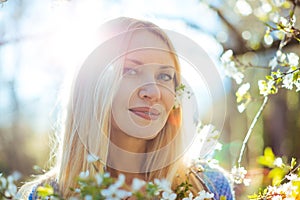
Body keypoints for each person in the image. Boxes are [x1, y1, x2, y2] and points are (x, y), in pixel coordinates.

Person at [19, 17, 234, 199]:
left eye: (164, 76)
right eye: (130, 70)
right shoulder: (49, 195)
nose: (154, 92)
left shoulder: (210, 187)